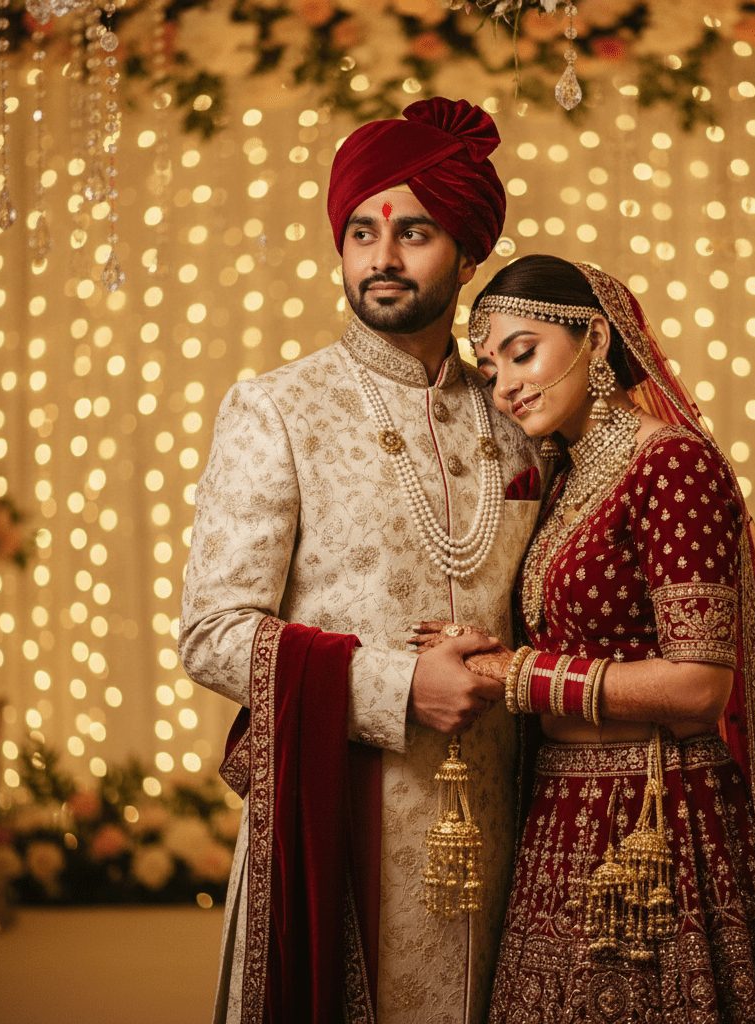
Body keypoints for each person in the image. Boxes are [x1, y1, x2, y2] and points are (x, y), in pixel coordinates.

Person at [411, 254, 755, 1023]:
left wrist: (512, 675)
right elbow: (585, 639)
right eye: (491, 369)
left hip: (658, 823)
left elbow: (698, 687)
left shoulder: (673, 464)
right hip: (559, 812)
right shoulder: (563, 476)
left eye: (523, 353)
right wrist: (486, 648)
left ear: (594, 337)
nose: (506, 385)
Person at [178, 98, 543, 1024]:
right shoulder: (278, 408)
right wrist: (394, 686)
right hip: (341, 816)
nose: (381, 256)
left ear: (468, 254)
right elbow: (213, 635)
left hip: (513, 820)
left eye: (414, 231)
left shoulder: (521, 415)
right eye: (361, 232)